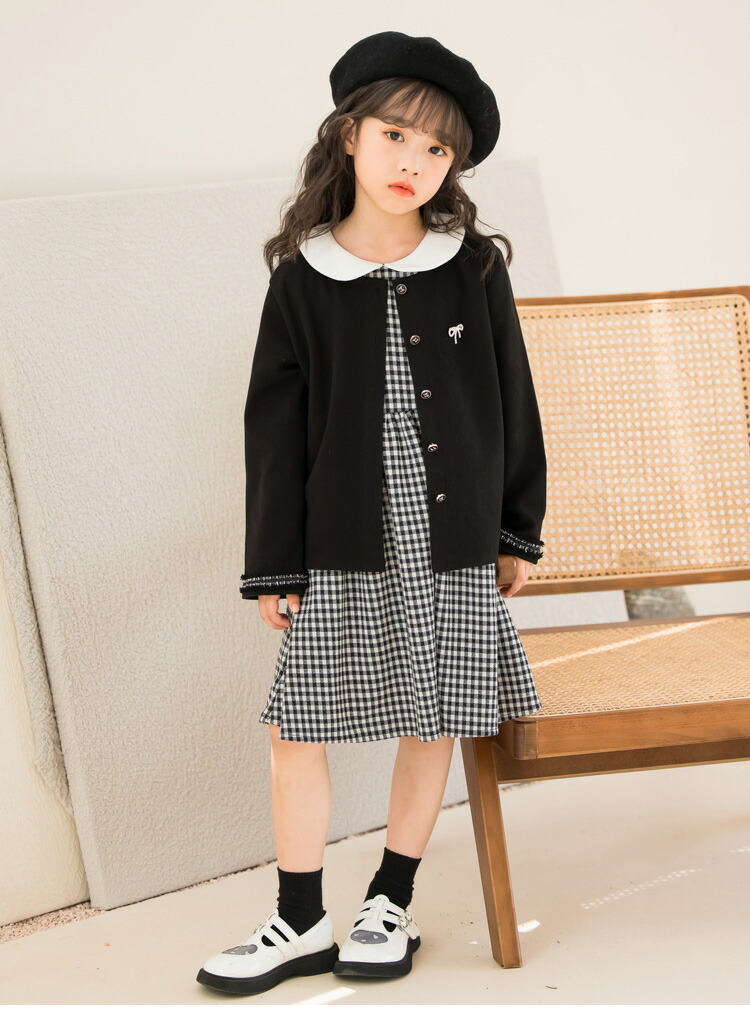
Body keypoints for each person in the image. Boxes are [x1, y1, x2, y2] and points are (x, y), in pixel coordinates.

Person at [197, 30, 547, 997]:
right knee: (296, 726)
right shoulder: (302, 278)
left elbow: (514, 400)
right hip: (342, 538)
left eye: (437, 149)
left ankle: (389, 901)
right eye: (395, 135)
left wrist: (515, 528)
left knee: (433, 714)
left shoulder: (472, 267)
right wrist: (275, 562)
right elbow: (274, 429)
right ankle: (300, 918)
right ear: (349, 135)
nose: (413, 163)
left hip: (453, 537)